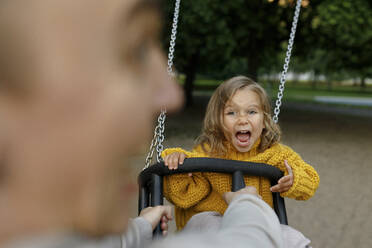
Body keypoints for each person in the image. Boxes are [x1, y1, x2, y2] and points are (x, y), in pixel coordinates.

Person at [0, 0, 284, 248]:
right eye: (135, 49)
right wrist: (248, 203)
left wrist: (140, 225)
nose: (171, 95)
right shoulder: (205, 151)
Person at [162, 76, 320, 230]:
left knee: (291, 237)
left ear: (264, 121)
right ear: (217, 121)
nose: (242, 119)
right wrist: (178, 163)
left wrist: (294, 179)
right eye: (231, 113)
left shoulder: (274, 153)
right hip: (212, 231)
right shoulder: (206, 153)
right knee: (209, 223)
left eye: (251, 112)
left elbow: (310, 180)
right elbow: (182, 196)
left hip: (255, 229)